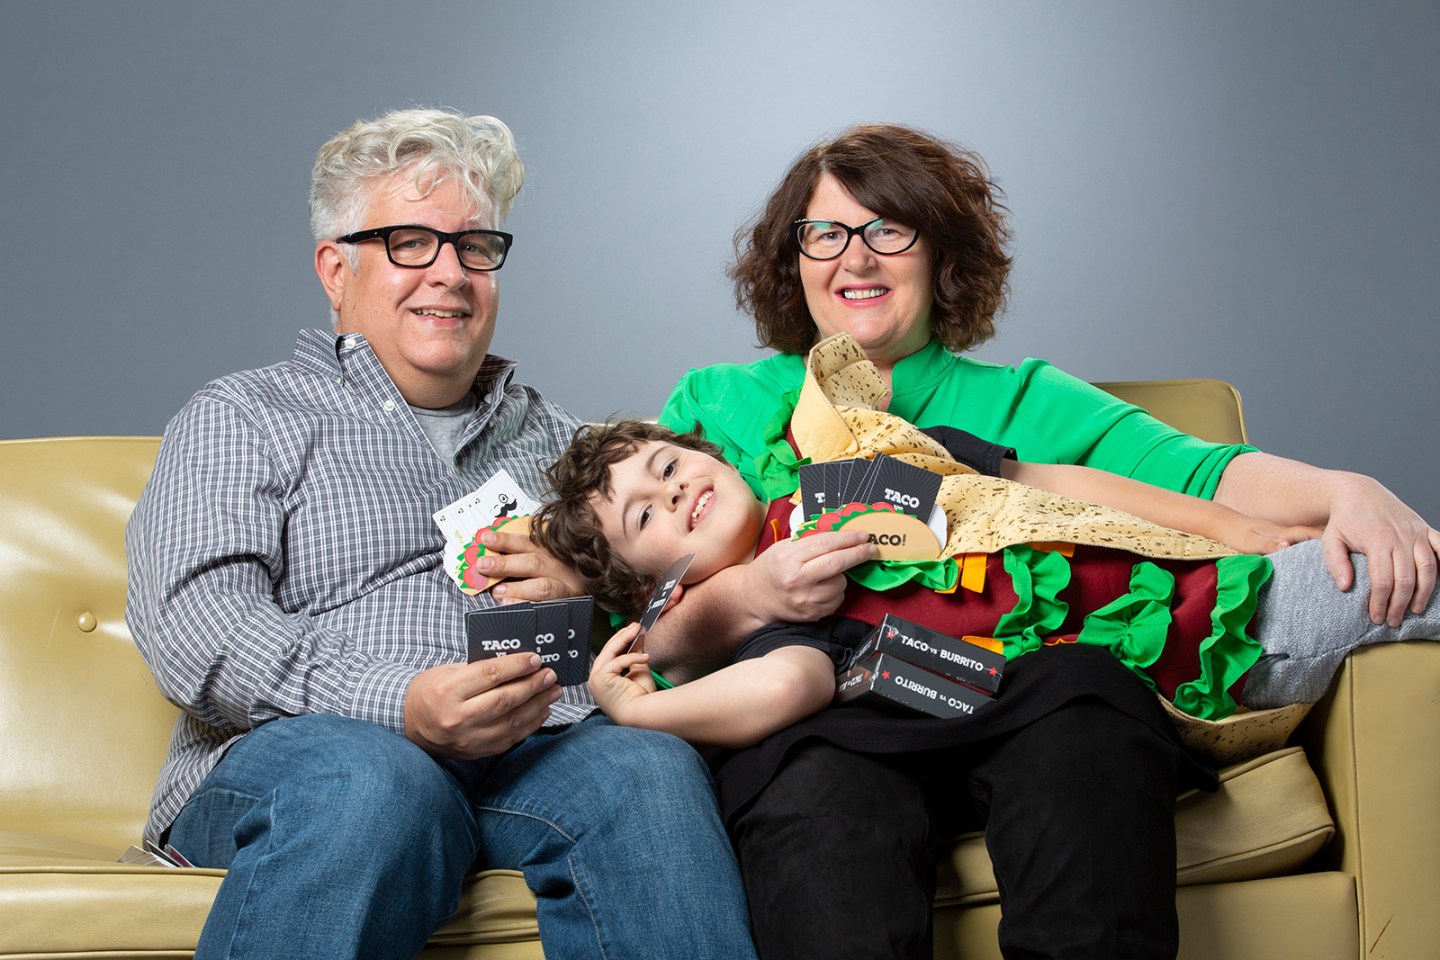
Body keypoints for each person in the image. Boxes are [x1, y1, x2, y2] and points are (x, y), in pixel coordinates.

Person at [638, 123, 1440, 959]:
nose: (856, 257)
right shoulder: (714, 406)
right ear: (793, 256)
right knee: (818, 795)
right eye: (826, 233)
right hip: (823, 719)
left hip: (1029, 701)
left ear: (942, 254)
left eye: (889, 229)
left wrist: (1349, 492)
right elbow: (644, 619)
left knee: (1086, 709)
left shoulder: (1025, 399)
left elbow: (1203, 475)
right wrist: (752, 593)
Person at [124, 108, 757, 960]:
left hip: (537, 751)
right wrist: (403, 705)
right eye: (410, 244)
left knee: (649, 771)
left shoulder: (569, 449)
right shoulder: (243, 416)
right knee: (376, 782)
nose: (451, 274)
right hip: (308, 760)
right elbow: (196, 629)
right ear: (335, 269)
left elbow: (674, 600)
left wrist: (592, 593)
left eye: (474, 247)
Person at [534, 412, 1439, 744]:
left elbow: (1051, 483)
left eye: (666, 465)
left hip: (1218, 571)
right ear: (652, 585)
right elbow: (783, 688)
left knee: (1414, 556)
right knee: (1413, 583)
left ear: (706, 453)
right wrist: (640, 711)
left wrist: (1226, 524)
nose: (671, 491)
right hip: (1216, 639)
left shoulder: (857, 462)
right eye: (644, 518)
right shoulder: (778, 626)